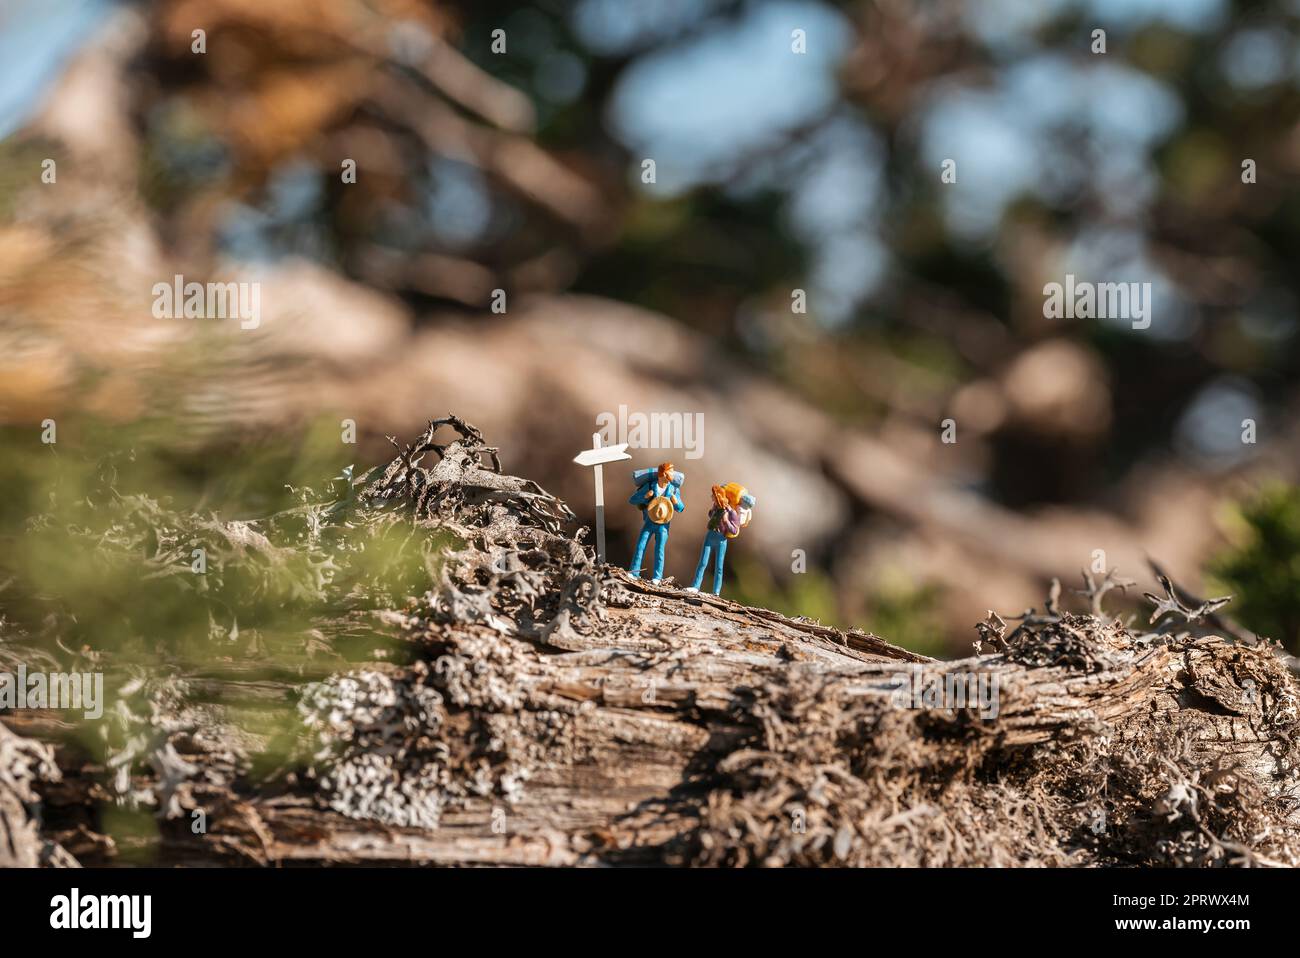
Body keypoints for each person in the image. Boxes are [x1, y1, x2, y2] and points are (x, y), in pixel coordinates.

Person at [685, 483, 755, 595]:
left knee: (719, 566)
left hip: (721, 539)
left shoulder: (732, 513)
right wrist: (713, 511)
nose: (711, 498)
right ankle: (695, 586)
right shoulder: (716, 507)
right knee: (702, 562)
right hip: (710, 535)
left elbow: (735, 530)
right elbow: (711, 516)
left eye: (714, 496)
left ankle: (716, 592)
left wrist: (726, 521)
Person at [627, 462, 684, 582]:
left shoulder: (673, 489)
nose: (672, 475)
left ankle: (657, 577)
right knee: (640, 546)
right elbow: (632, 500)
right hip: (649, 521)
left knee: (659, 550)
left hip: (663, 525)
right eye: (670, 472)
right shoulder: (650, 486)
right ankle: (634, 572)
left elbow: (681, 508)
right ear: (663, 473)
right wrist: (646, 497)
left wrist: (675, 502)